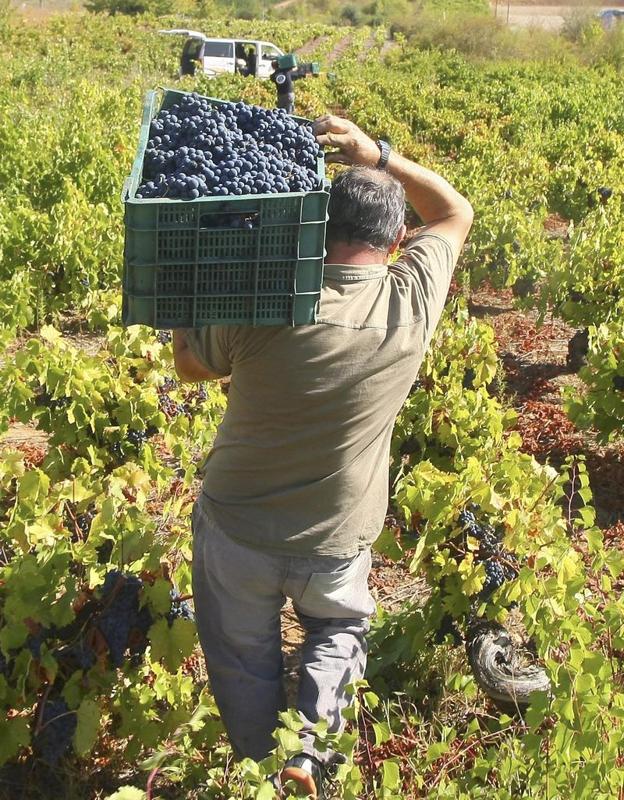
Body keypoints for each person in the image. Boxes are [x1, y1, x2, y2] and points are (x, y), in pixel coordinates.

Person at [172, 115, 473, 799]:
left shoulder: (266, 298)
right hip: (337, 535)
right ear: (399, 241)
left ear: (315, 225)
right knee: (337, 632)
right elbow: (455, 210)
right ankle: (307, 758)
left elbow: (191, 366)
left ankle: (257, 770)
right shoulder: (411, 299)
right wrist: (380, 154)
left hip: (238, 526)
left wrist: (189, 314)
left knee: (243, 661)